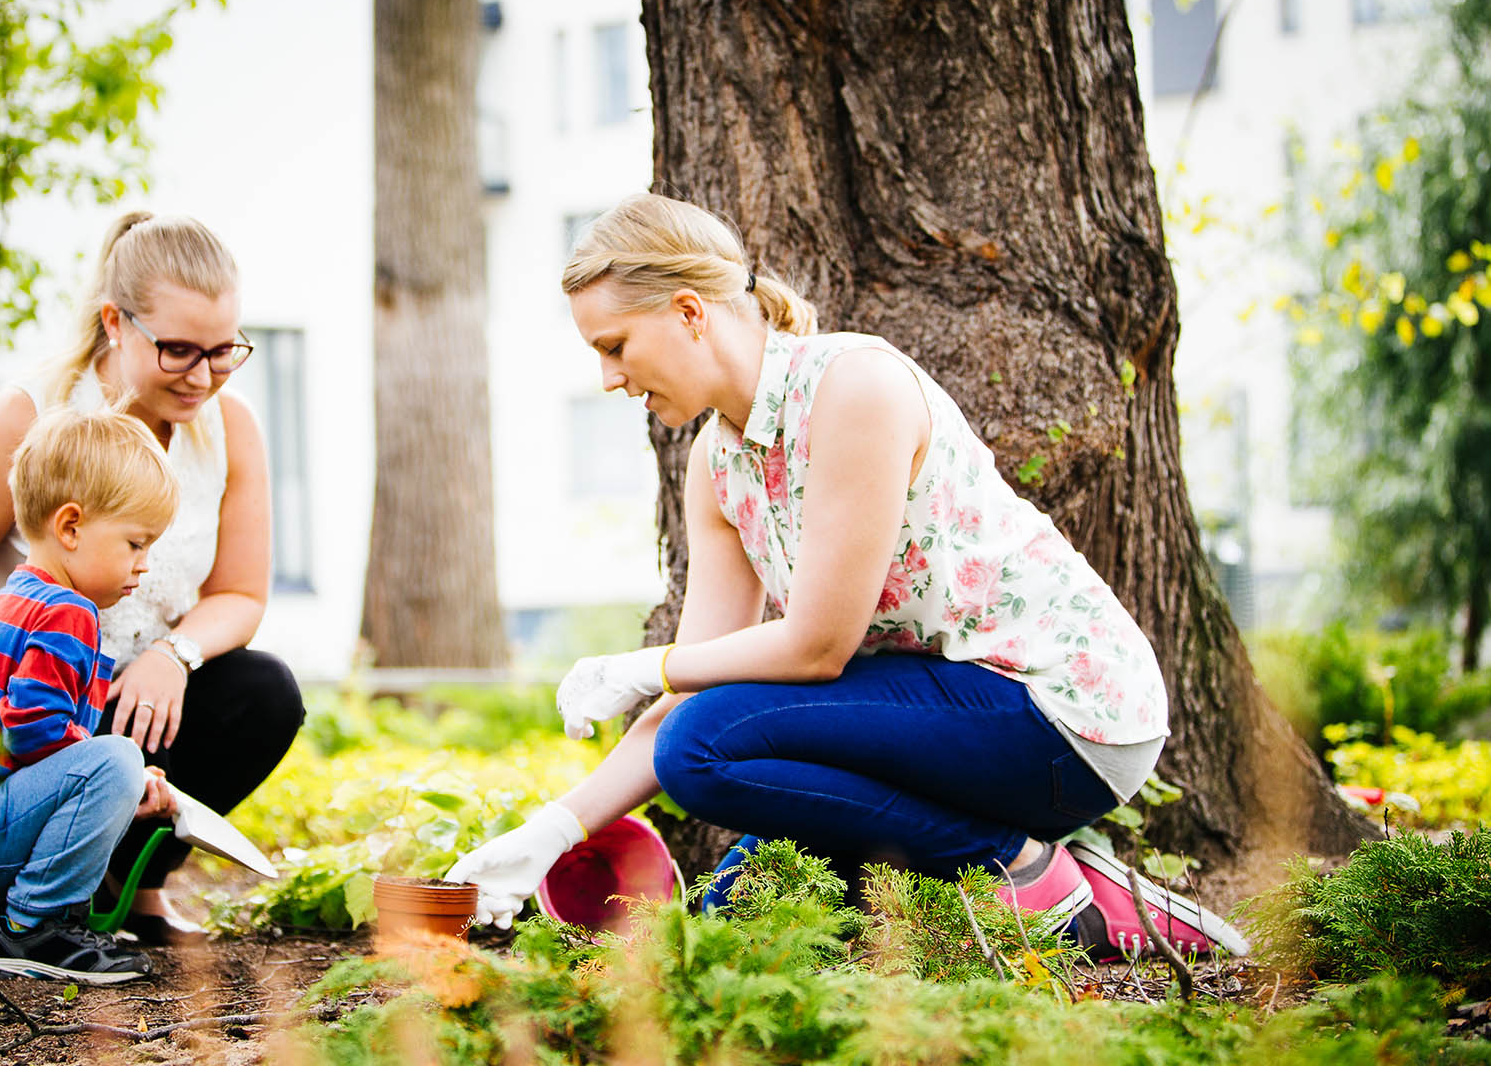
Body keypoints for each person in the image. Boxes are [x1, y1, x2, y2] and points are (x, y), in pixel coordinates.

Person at [447, 193, 1247, 960]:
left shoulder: (853, 386)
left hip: (1064, 717)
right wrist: (549, 834)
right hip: (941, 718)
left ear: (690, 313)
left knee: (700, 751)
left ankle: (1034, 875)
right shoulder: (716, 463)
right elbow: (697, 683)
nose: (610, 379)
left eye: (614, 346)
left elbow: (817, 648)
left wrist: (638, 666)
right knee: (733, 905)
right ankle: (1045, 874)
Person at [0, 212, 306, 945]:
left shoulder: (229, 425)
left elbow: (240, 595)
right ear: (116, 322)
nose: (204, 376)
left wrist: (171, 657)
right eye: (178, 350)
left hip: (113, 710)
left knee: (262, 693)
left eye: (223, 351)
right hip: (3, 713)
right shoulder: (25, 420)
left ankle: (132, 891)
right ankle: (26, 899)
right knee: (96, 747)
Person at [0, 406, 179, 984]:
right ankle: (36, 929)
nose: (144, 566)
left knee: (105, 762)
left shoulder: (22, 594)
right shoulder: (67, 611)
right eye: (135, 543)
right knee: (117, 758)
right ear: (70, 527)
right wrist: (125, 780)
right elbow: (36, 730)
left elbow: (16, 745)